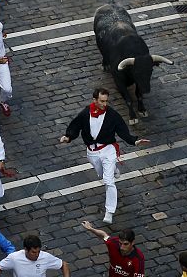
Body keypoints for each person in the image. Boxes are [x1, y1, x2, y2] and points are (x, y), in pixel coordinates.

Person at [60, 88, 150, 224]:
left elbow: (122, 130)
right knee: (101, 174)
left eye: (106, 101)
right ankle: (114, 169)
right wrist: (68, 137)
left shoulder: (112, 115)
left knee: (108, 182)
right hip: (92, 152)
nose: (104, 104)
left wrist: (134, 141)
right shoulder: (85, 113)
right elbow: (75, 127)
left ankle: (109, 211)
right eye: (102, 101)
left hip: (108, 150)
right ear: (94, 100)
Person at [0, 234, 71, 276]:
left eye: (38, 251)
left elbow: (64, 265)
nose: (37, 255)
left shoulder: (45, 257)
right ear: (26, 249)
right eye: (34, 252)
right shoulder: (14, 258)